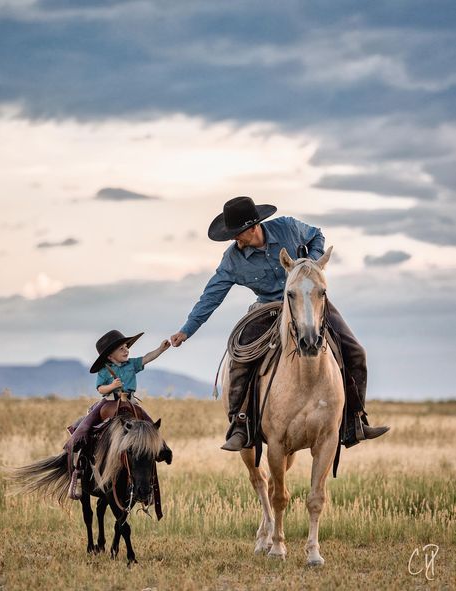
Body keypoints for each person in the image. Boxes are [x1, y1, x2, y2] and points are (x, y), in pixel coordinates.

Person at [171, 196, 389, 451]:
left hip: (308, 300)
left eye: (237, 234)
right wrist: (186, 331)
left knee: (355, 352)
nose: (234, 240)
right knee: (240, 358)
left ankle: (355, 421)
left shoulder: (287, 227)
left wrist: (309, 266)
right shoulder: (232, 259)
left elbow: (317, 235)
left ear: (253, 228)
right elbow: (211, 296)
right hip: (268, 308)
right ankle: (241, 424)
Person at [66, 329, 171, 499]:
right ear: (110, 356)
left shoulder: (132, 364)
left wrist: (161, 349)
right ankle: (77, 466)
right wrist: (112, 386)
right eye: (121, 348)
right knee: (85, 426)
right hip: (108, 402)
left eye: (126, 346)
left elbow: (147, 358)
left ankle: (162, 449)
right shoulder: (104, 370)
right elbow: (100, 388)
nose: (126, 350)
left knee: (151, 426)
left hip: (130, 401)